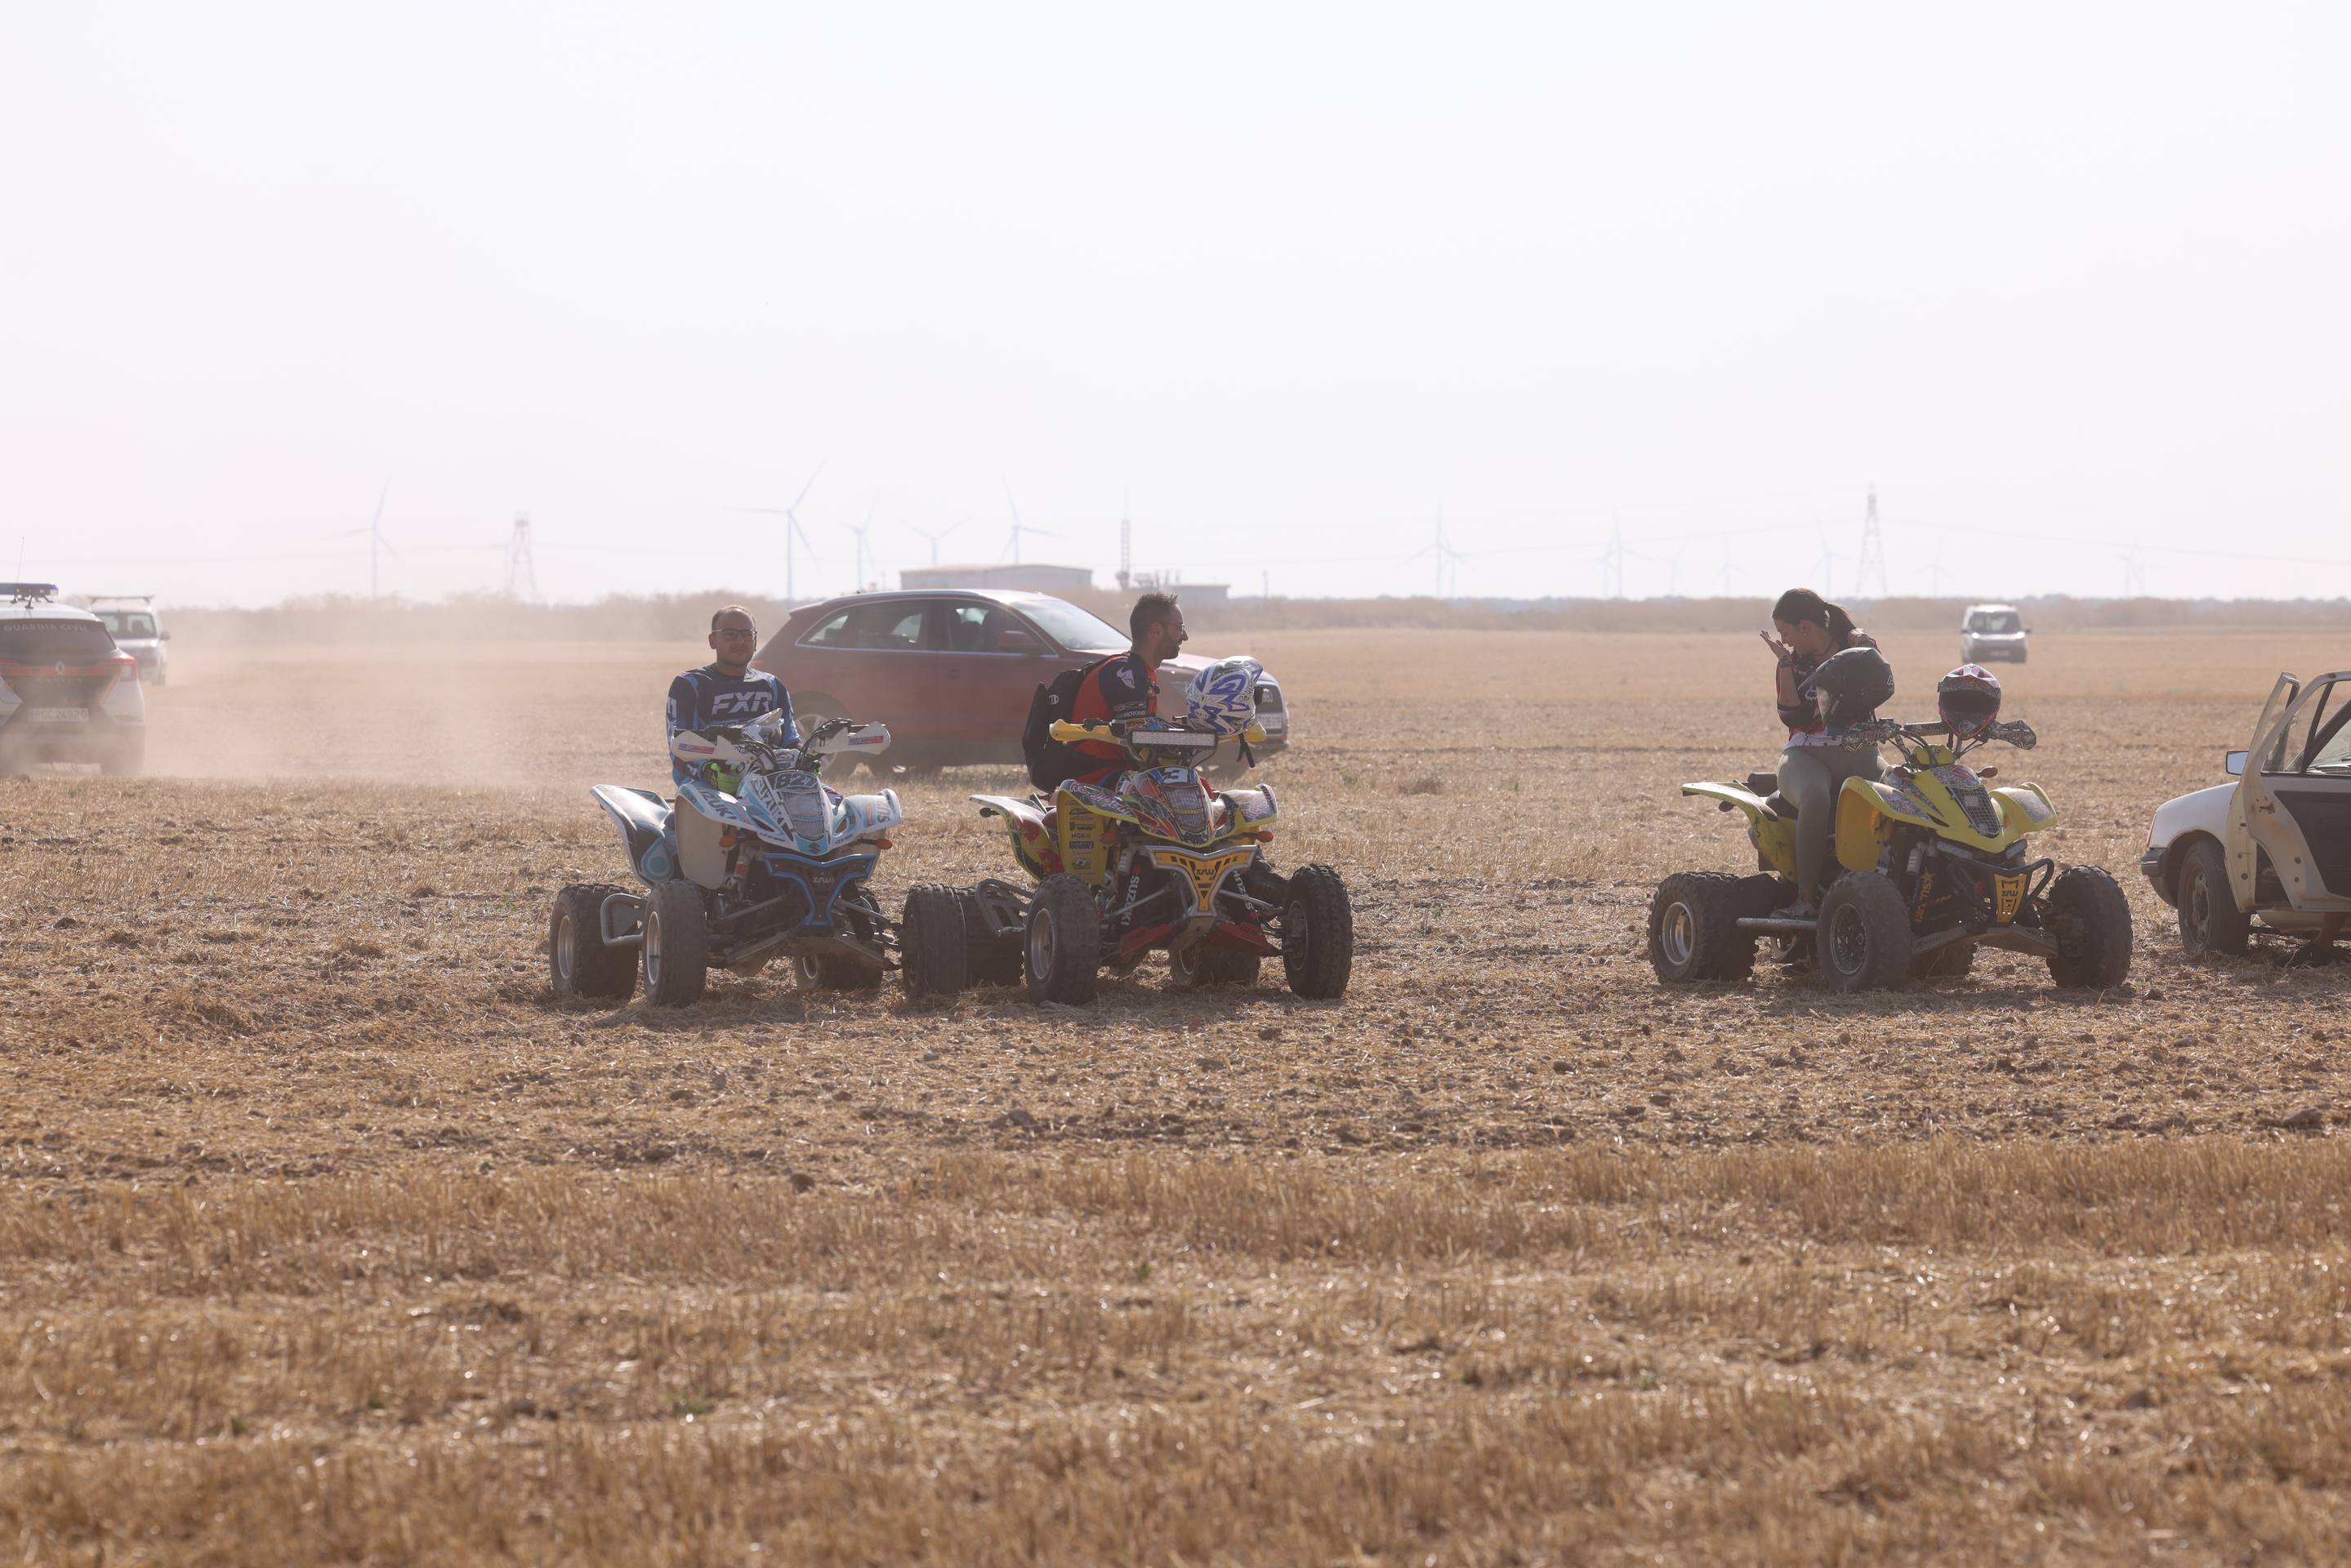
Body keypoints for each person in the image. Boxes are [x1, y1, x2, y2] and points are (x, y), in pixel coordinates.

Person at [1760, 587, 1892, 917]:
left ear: (1805, 626)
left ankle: (1890, 888)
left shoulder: (1858, 649)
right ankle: (1806, 899)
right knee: (1817, 796)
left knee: (1899, 794)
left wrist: (1865, 645)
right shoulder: (1791, 663)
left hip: (1860, 750)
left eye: (1785, 632)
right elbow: (1794, 718)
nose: (1784, 641)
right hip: (1807, 754)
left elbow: (1881, 688)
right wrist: (1786, 666)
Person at [1066, 590, 1188, 786]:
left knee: (1196, 788)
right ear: (1156, 630)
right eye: (1179, 628)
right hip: (1095, 778)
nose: (1185, 636)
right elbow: (1138, 738)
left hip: (1120, 772)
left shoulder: (1140, 670)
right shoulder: (1124, 672)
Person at [667, 605, 796, 785]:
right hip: (706, 789)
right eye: (730, 634)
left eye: (747, 634)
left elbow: (791, 742)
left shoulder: (773, 685)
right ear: (713, 641)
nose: (740, 641)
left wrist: (806, 758)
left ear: (755, 641)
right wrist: (708, 773)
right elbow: (678, 748)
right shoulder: (689, 684)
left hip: (767, 786)